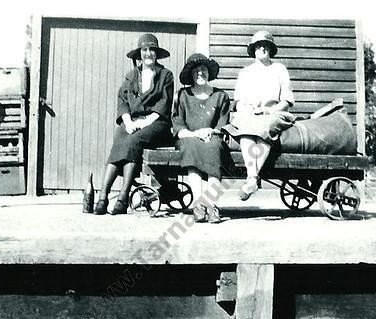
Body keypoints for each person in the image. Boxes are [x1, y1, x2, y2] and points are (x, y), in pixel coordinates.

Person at [94, 34, 174, 215]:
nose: (148, 54)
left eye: (152, 50)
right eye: (144, 50)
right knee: (120, 136)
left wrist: (144, 123)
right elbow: (123, 101)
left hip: (157, 123)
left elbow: (164, 104)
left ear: (157, 53)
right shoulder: (131, 76)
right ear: (139, 53)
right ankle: (103, 197)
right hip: (133, 121)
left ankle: (123, 198)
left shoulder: (165, 75)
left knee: (133, 140)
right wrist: (128, 121)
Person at [223, 31, 295, 200]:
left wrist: (270, 110)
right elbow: (238, 101)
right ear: (253, 49)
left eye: (265, 45)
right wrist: (246, 108)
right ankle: (253, 178)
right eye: (258, 45)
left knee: (265, 126)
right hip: (250, 114)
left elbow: (286, 101)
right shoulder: (245, 72)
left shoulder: (279, 69)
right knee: (246, 126)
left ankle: (251, 179)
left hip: (273, 113)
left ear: (270, 49)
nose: (262, 48)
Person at [172, 53, 230, 223]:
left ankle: (211, 205)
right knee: (190, 146)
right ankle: (198, 204)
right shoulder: (182, 96)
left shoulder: (221, 96)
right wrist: (195, 134)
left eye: (203, 70)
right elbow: (178, 125)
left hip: (212, 137)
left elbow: (222, 125)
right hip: (189, 137)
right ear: (191, 75)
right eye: (196, 71)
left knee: (214, 147)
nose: (200, 74)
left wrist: (211, 131)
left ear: (209, 72)